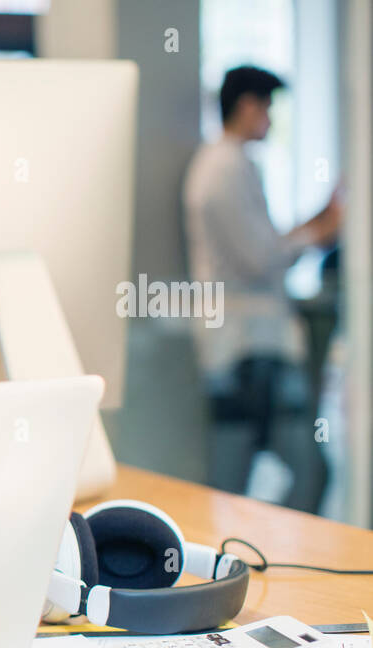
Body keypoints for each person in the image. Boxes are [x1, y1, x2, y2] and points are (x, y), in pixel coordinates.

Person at [182, 65, 342, 513]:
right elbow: (260, 258)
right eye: (267, 108)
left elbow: (263, 246)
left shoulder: (229, 165)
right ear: (247, 105)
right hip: (249, 350)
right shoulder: (224, 168)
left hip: (247, 349)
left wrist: (316, 225)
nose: (270, 119)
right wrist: (319, 233)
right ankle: (275, 554)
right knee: (299, 469)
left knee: (234, 478)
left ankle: (259, 554)